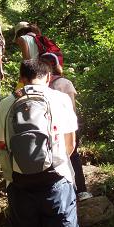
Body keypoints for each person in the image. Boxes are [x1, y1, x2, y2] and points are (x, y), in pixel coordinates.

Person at [0, 59, 81, 227]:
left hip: (19, 184)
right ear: (48, 77)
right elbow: (71, 144)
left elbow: (0, 144)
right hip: (57, 181)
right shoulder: (61, 99)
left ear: (22, 79)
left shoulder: (6, 103)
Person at [40, 53, 93, 201]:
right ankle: (81, 190)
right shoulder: (65, 83)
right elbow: (72, 110)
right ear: (57, 65)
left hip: (46, 128)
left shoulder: (40, 85)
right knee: (73, 156)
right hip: (65, 127)